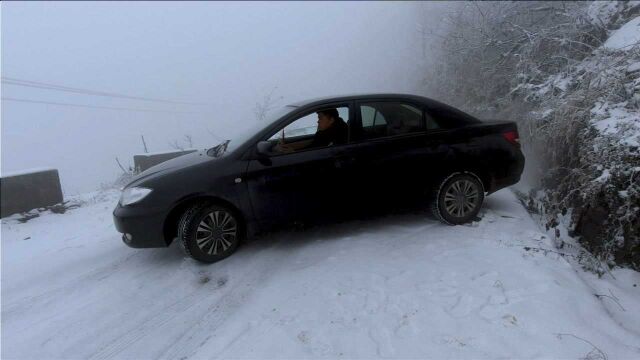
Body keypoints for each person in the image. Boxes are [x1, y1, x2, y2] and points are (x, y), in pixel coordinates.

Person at [276, 108, 348, 153]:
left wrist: (294, 153)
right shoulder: (325, 132)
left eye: (320, 118)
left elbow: (317, 155)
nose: (318, 121)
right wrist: (290, 147)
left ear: (331, 120)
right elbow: (313, 144)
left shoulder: (337, 136)